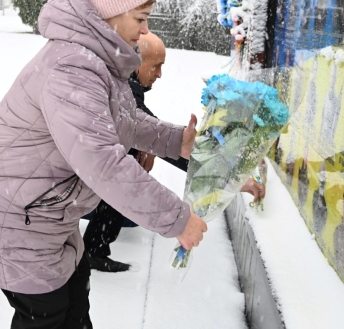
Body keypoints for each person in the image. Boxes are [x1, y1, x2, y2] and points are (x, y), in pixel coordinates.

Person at [0, 0, 207, 329]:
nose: (144, 31)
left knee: (73, 291)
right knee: (45, 311)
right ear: (110, 13)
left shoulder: (94, 59)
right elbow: (102, 160)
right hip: (10, 214)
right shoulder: (74, 65)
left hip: (38, 208)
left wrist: (179, 141)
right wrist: (176, 218)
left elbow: (125, 122)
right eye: (140, 19)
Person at [82, 33, 267, 272]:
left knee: (130, 170)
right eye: (156, 66)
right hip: (66, 187)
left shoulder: (122, 85)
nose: (159, 74)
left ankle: (95, 243)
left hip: (78, 180)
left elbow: (156, 134)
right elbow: (166, 145)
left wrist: (146, 143)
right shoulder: (123, 92)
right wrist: (232, 179)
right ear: (136, 63)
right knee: (126, 170)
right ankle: (93, 250)